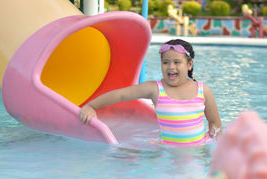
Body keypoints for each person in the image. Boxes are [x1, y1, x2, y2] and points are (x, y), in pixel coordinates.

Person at [79, 39, 222, 146]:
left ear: (189, 65)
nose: (170, 67)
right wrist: (91, 106)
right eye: (165, 62)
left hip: (196, 151)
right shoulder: (156, 89)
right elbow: (121, 94)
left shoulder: (203, 91)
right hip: (167, 150)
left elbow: (215, 123)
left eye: (177, 62)